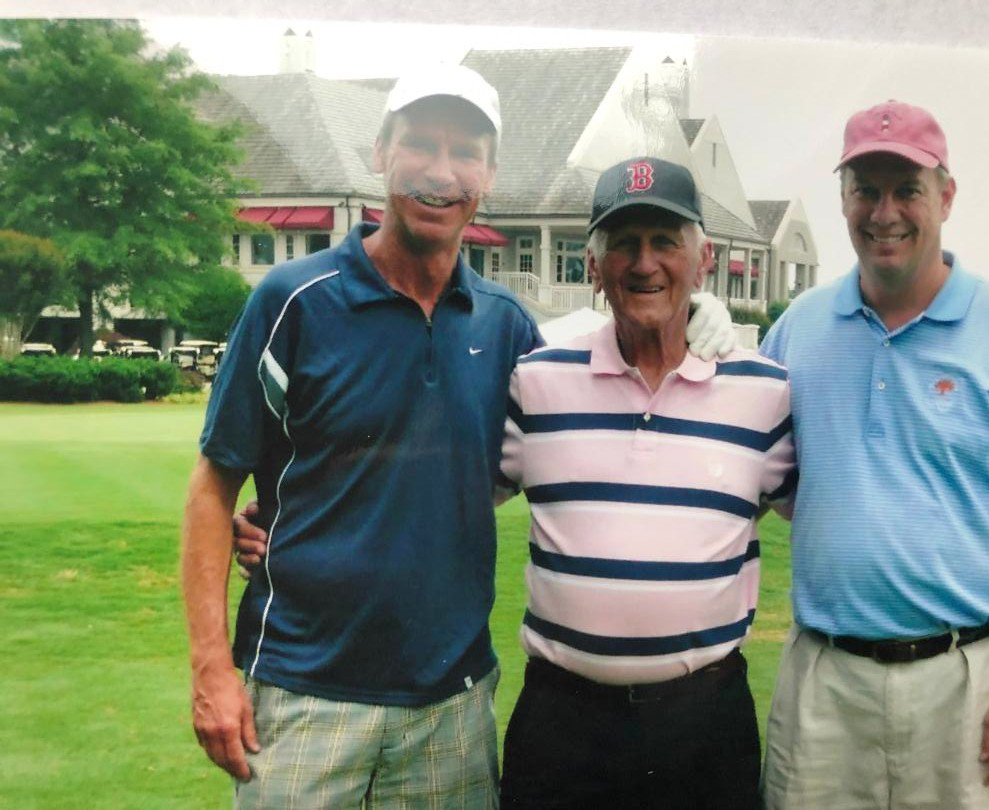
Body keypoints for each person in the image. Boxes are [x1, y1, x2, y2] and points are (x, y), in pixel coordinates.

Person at [186, 65, 736, 807]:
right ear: (380, 152)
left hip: (453, 705)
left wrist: (702, 324)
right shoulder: (295, 301)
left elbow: (592, 416)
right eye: (421, 144)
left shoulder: (506, 326)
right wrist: (212, 670)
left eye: (465, 151)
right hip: (304, 691)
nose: (441, 172)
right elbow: (215, 485)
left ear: (489, 173)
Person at [759, 100, 989, 809]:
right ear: (842, 198)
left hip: (970, 685)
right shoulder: (796, 331)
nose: (884, 212)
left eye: (906, 189)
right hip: (826, 684)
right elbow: (767, 483)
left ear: (947, 195)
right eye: (865, 189)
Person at [496, 157, 796, 809]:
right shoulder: (538, 382)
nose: (644, 262)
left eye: (665, 241)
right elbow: (438, 495)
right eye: (624, 244)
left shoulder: (764, 393)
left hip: (703, 724)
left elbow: (827, 513)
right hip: (561, 724)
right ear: (593, 265)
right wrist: (290, 517)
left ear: (703, 257)